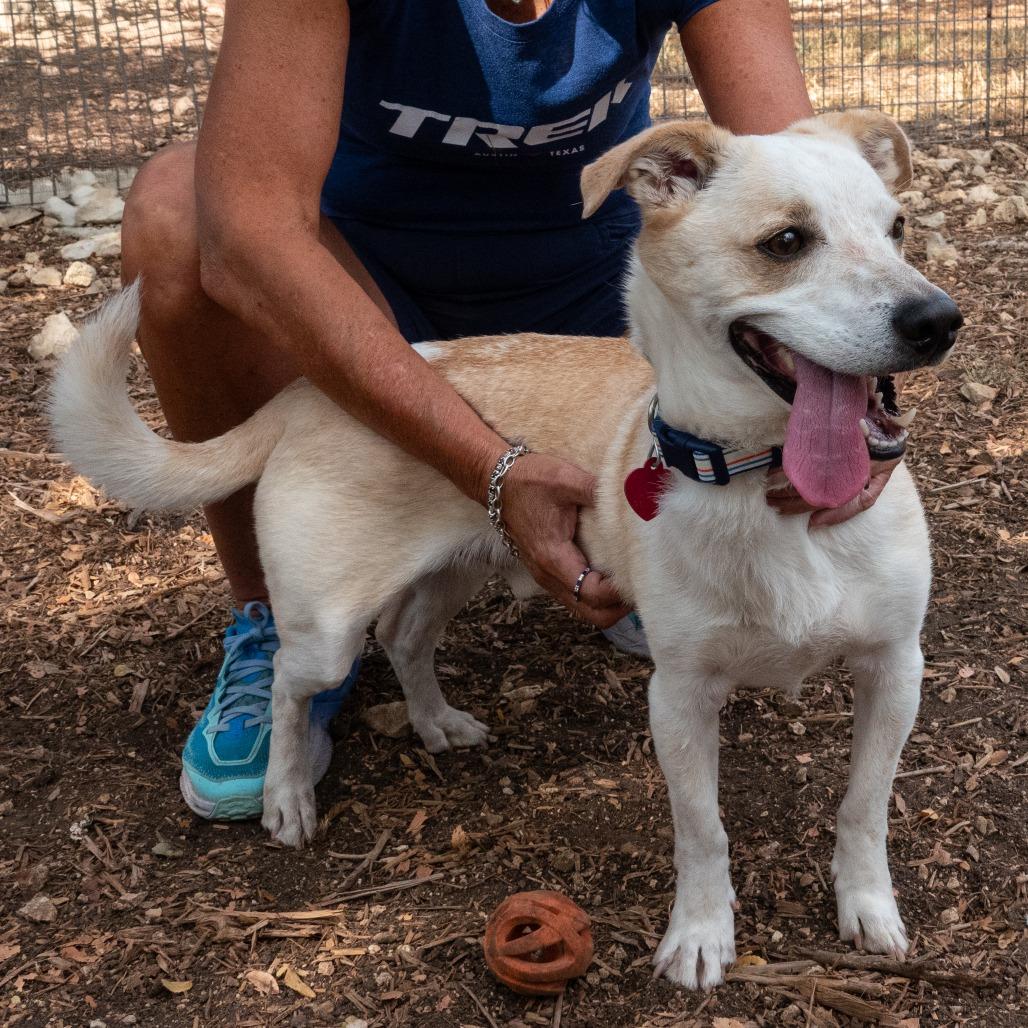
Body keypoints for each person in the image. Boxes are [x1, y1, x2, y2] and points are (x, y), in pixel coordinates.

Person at [121, 0, 898, 821]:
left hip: (591, 302)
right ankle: (271, 620)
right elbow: (250, 234)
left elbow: (808, 183)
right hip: (362, 299)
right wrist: (491, 472)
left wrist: (862, 384)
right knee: (180, 205)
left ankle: (636, 559)